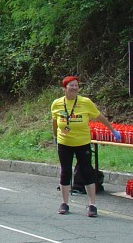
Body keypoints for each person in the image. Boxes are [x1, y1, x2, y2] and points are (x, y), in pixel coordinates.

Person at [51, 75, 121, 217]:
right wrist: (55, 136)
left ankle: (92, 204)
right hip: (64, 143)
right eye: (71, 85)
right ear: (64, 88)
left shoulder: (85, 102)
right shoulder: (57, 104)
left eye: (76, 85)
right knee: (66, 172)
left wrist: (112, 130)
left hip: (82, 143)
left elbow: (99, 116)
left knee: (87, 171)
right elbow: (54, 121)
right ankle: (64, 203)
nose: (75, 88)